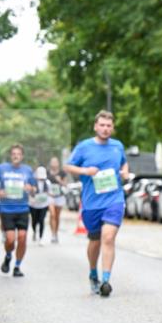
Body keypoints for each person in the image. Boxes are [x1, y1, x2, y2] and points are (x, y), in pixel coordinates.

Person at [64, 110, 128, 297]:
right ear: (95, 126)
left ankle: (106, 281)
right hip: (92, 203)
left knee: (108, 237)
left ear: (112, 128)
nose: (105, 129)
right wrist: (85, 171)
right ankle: (93, 273)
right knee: (95, 240)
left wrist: (124, 172)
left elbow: (124, 163)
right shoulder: (84, 147)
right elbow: (68, 166)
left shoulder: (117, 146)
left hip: (114, 199)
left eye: (109, 126)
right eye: (102, 125)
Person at [0, 145, 36, 277]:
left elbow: (34, 189)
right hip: (7, 208)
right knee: (10, 239)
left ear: (22, 156)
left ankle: (17, 266)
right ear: (11, 156)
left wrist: (31, 189)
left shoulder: (27, 170)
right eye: (14, 154)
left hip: (23, 208)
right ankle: (8, 256)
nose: (16, 156)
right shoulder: (2, 168)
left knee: (22, 237)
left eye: (18, 154)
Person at [46, 157, 68, 243]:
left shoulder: (62, 173)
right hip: (50, 196)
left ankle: (56, 233)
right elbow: (43, 184)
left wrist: (59, 181)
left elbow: (65, 184)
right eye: (53, 162)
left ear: (58, 163)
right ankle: (52, 234)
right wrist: (47, 192)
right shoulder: (47, 173)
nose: (54, 164)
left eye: (56, 162)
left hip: (59, 196)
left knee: (57, 216)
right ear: (50, 163)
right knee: (52, 214)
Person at [29, 167, 50, 244]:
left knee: (41, 220)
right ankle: (34, 231)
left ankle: (41, 237)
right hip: (33, 205)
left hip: (43, 205)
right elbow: (29, 192)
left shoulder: (47, 183)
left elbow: (50, 193)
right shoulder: (32, 182)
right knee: (34, 220)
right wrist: (32, 190)